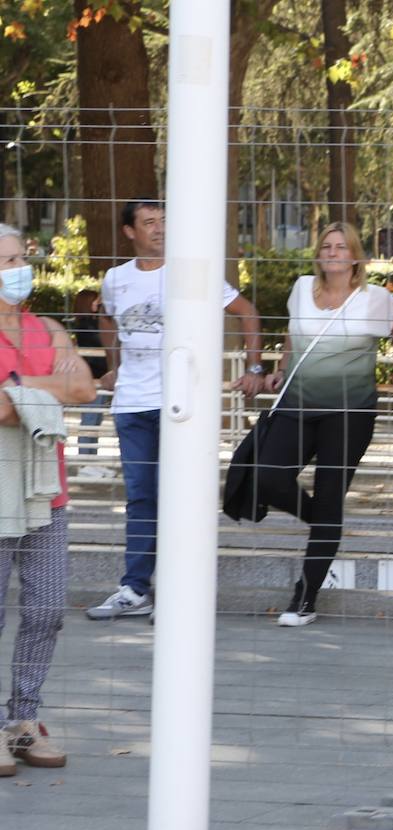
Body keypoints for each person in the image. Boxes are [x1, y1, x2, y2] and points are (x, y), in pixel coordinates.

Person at [85, 200, 265, 621]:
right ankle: (135, 588)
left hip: (181, 404)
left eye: (165, 221)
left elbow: (247, 313)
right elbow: (108, 321)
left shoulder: (188, 270)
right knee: (142, 497)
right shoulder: (115, 279)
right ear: (130, 231)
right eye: (149, 223)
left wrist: (256, 367)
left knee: (183, 496)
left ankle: (184, 590)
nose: (159, 229)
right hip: (132, 404)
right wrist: (115, 367)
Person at [249, 222, 393, 626]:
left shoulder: (375, 299)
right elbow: (293, 335)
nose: (334, 252)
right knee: (267, 477)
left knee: (329, 495)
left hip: (349, 411)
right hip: (298, 403)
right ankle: (323, 523)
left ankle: (305, 597)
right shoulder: (302, 287)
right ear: (319, 254)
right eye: (327, 246)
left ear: (355, 255)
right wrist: (280, 369)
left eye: (342, 246)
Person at [0, 224, 97, 774]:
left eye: (21, 256)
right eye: (7, 260)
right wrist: (46, 384)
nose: (20, 268)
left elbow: (85, 389)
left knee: (46, 610)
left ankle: (24, 722)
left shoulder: (49, 327)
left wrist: (19, 385)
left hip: (47, 494)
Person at [68, 288, 114, 478]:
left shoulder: (93, 322)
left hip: (101, 378)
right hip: (92, 379)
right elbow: (102, 343)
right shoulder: (85, 324)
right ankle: (84, 462)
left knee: (96, 421)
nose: (99, 303)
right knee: (89, 420)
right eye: (96, 301)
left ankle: (92, 461)